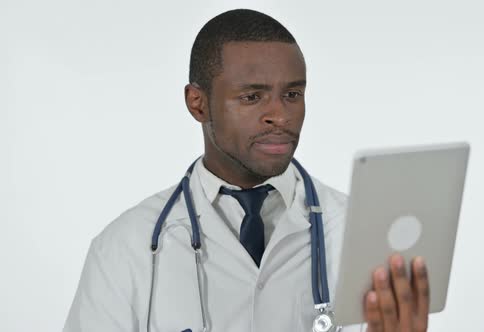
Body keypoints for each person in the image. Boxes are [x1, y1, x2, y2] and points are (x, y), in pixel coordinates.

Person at [64, 9, 430, 332]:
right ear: (198, 103)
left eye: (292, 94)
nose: (281, 115)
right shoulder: (125, 249)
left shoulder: (361, 234)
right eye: (252, 97)